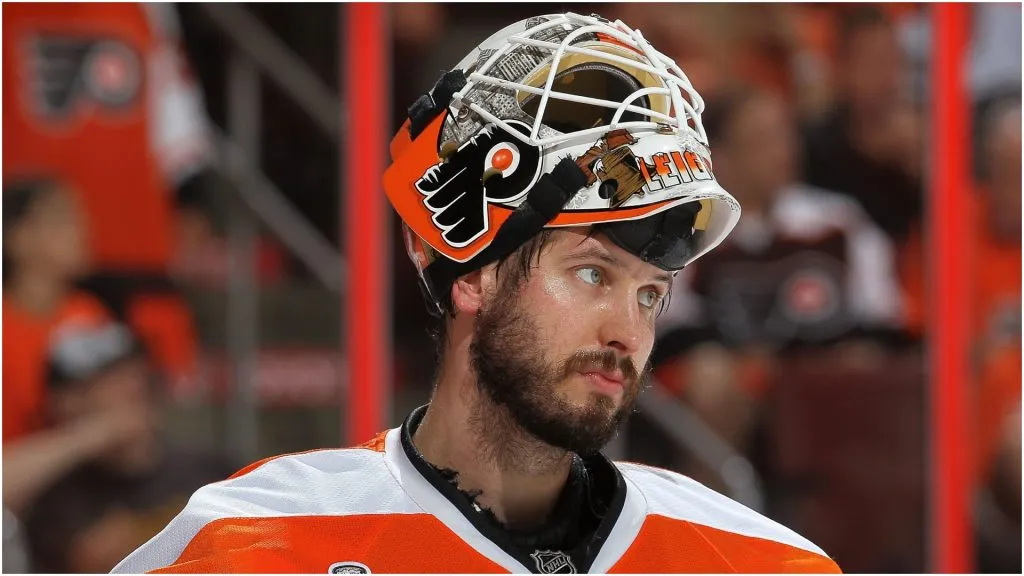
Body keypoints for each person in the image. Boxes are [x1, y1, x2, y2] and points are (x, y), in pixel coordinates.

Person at [114, 13, 841, 573]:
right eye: (593, 274)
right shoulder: (256, 542)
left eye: (651, 294)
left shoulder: (755, 559)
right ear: (471, 273)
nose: (629, 331)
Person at [19, 321, 235, 573]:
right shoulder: (56, 496)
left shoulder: (211, 467)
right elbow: (98, 559)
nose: (132, 387)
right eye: (108, 381)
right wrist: (91, 434)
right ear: (66, 402)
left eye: (135, 372)